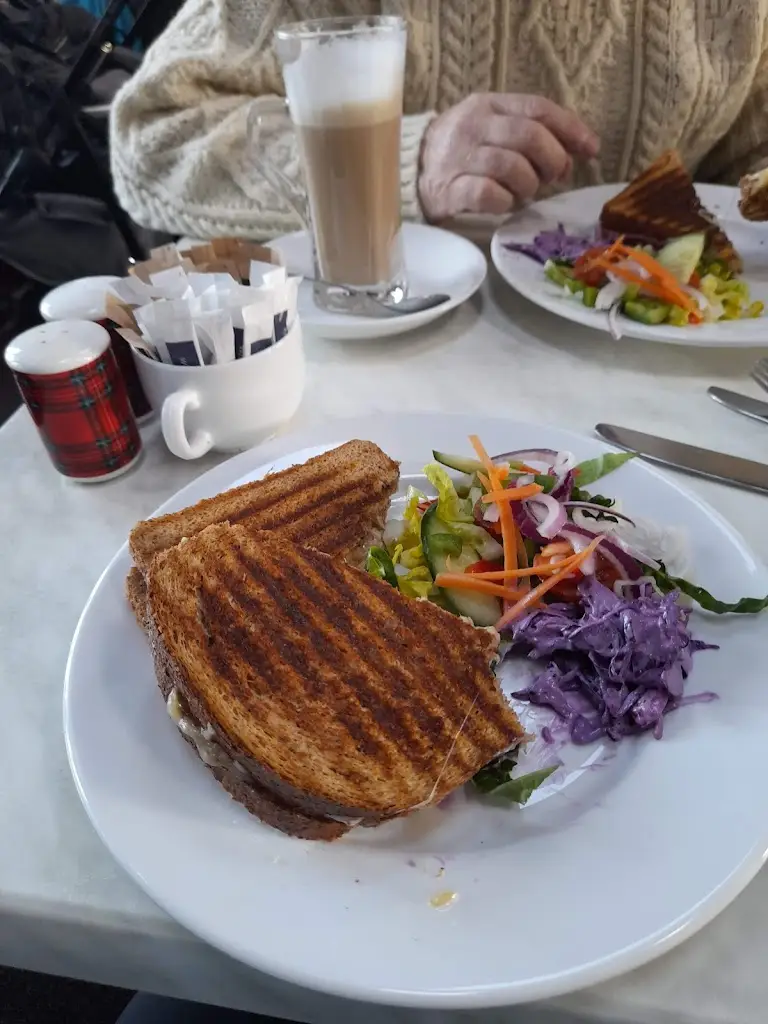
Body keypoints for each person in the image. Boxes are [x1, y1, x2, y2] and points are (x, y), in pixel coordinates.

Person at [110, 1, 768, 241]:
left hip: (679, 374)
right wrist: (402, 163)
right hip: (380, 371)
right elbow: (153, 136)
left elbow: (748, 162)